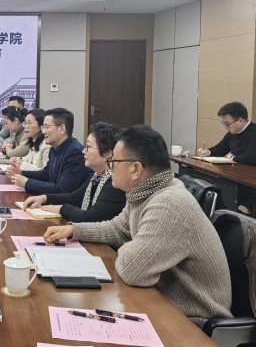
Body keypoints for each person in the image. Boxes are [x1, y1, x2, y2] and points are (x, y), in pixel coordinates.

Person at [44, 125, 232, 328]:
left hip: (191, 322)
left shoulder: (169, 203)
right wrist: (74, 230)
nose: (110, 167)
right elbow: (118, 229)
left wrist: (127, 249)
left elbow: (133, 271)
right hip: (160, 302)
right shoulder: (144, 192)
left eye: (113, 162)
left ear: (136, 169)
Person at [22, 122, 126, 222]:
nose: (83, 151)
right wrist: (45, 198)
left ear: (107, 154)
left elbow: (92, 217)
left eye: (88, 147)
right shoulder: (97, 174)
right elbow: (75, 197)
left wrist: (62, 209)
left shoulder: (114, 181)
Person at [11, 107, 91, 194]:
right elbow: (46, 175)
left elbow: (62, 190)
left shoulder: (75, 152)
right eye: (43, 127)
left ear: (62, 129)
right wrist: (21, 173)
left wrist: (27, 183)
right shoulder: (55, 148)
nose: (43, 131)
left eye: (47, 127)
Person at [196, 101, 256, 166]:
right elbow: (222, 148)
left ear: (240, 121)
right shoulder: (233, 132)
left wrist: (232, 157)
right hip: (237, 169)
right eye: (224, 124)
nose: (226, 127)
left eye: (228, 124)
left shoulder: (253, 131)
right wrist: (207, 152)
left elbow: (251, 157)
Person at [6, 109, 50, 175]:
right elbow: (29, 157)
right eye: (25, 123)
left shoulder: (47, 145)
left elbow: (45, 174)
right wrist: (17, 160)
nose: (26, 127)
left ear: (41, 125)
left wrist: (22, 164)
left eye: (30, 123)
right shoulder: (34, 141)